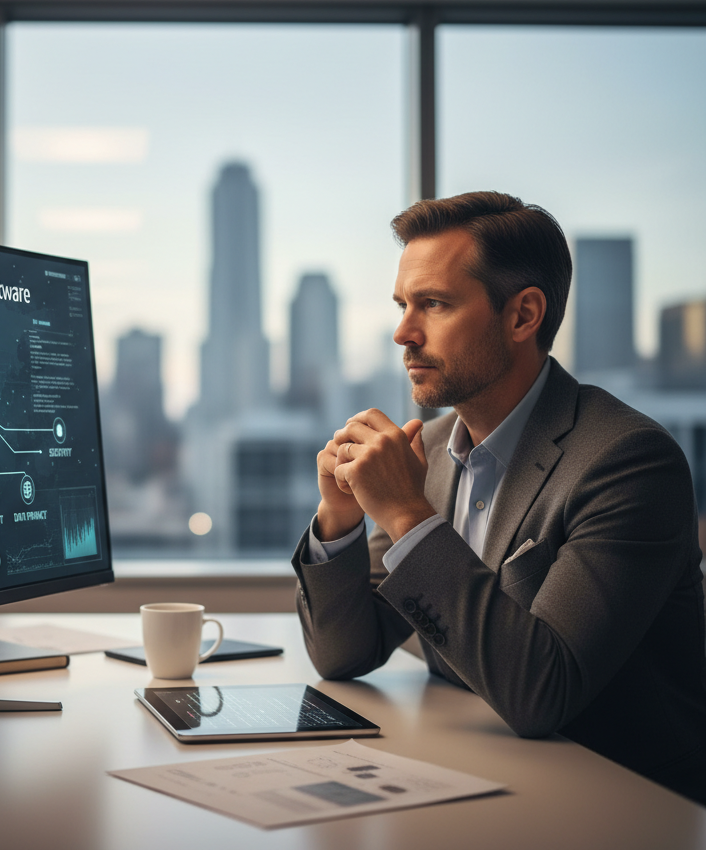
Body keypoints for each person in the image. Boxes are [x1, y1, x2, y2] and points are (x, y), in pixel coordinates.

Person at [292, 191, 706, 804]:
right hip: (476, 774)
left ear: (522, 316)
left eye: (433, 304)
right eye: (404, 305)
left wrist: (406, 514)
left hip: (622, 802)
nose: (403, 332)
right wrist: (341, 517)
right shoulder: (427, 452)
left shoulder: (629, 462)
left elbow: (544, 692)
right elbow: (345, 653)